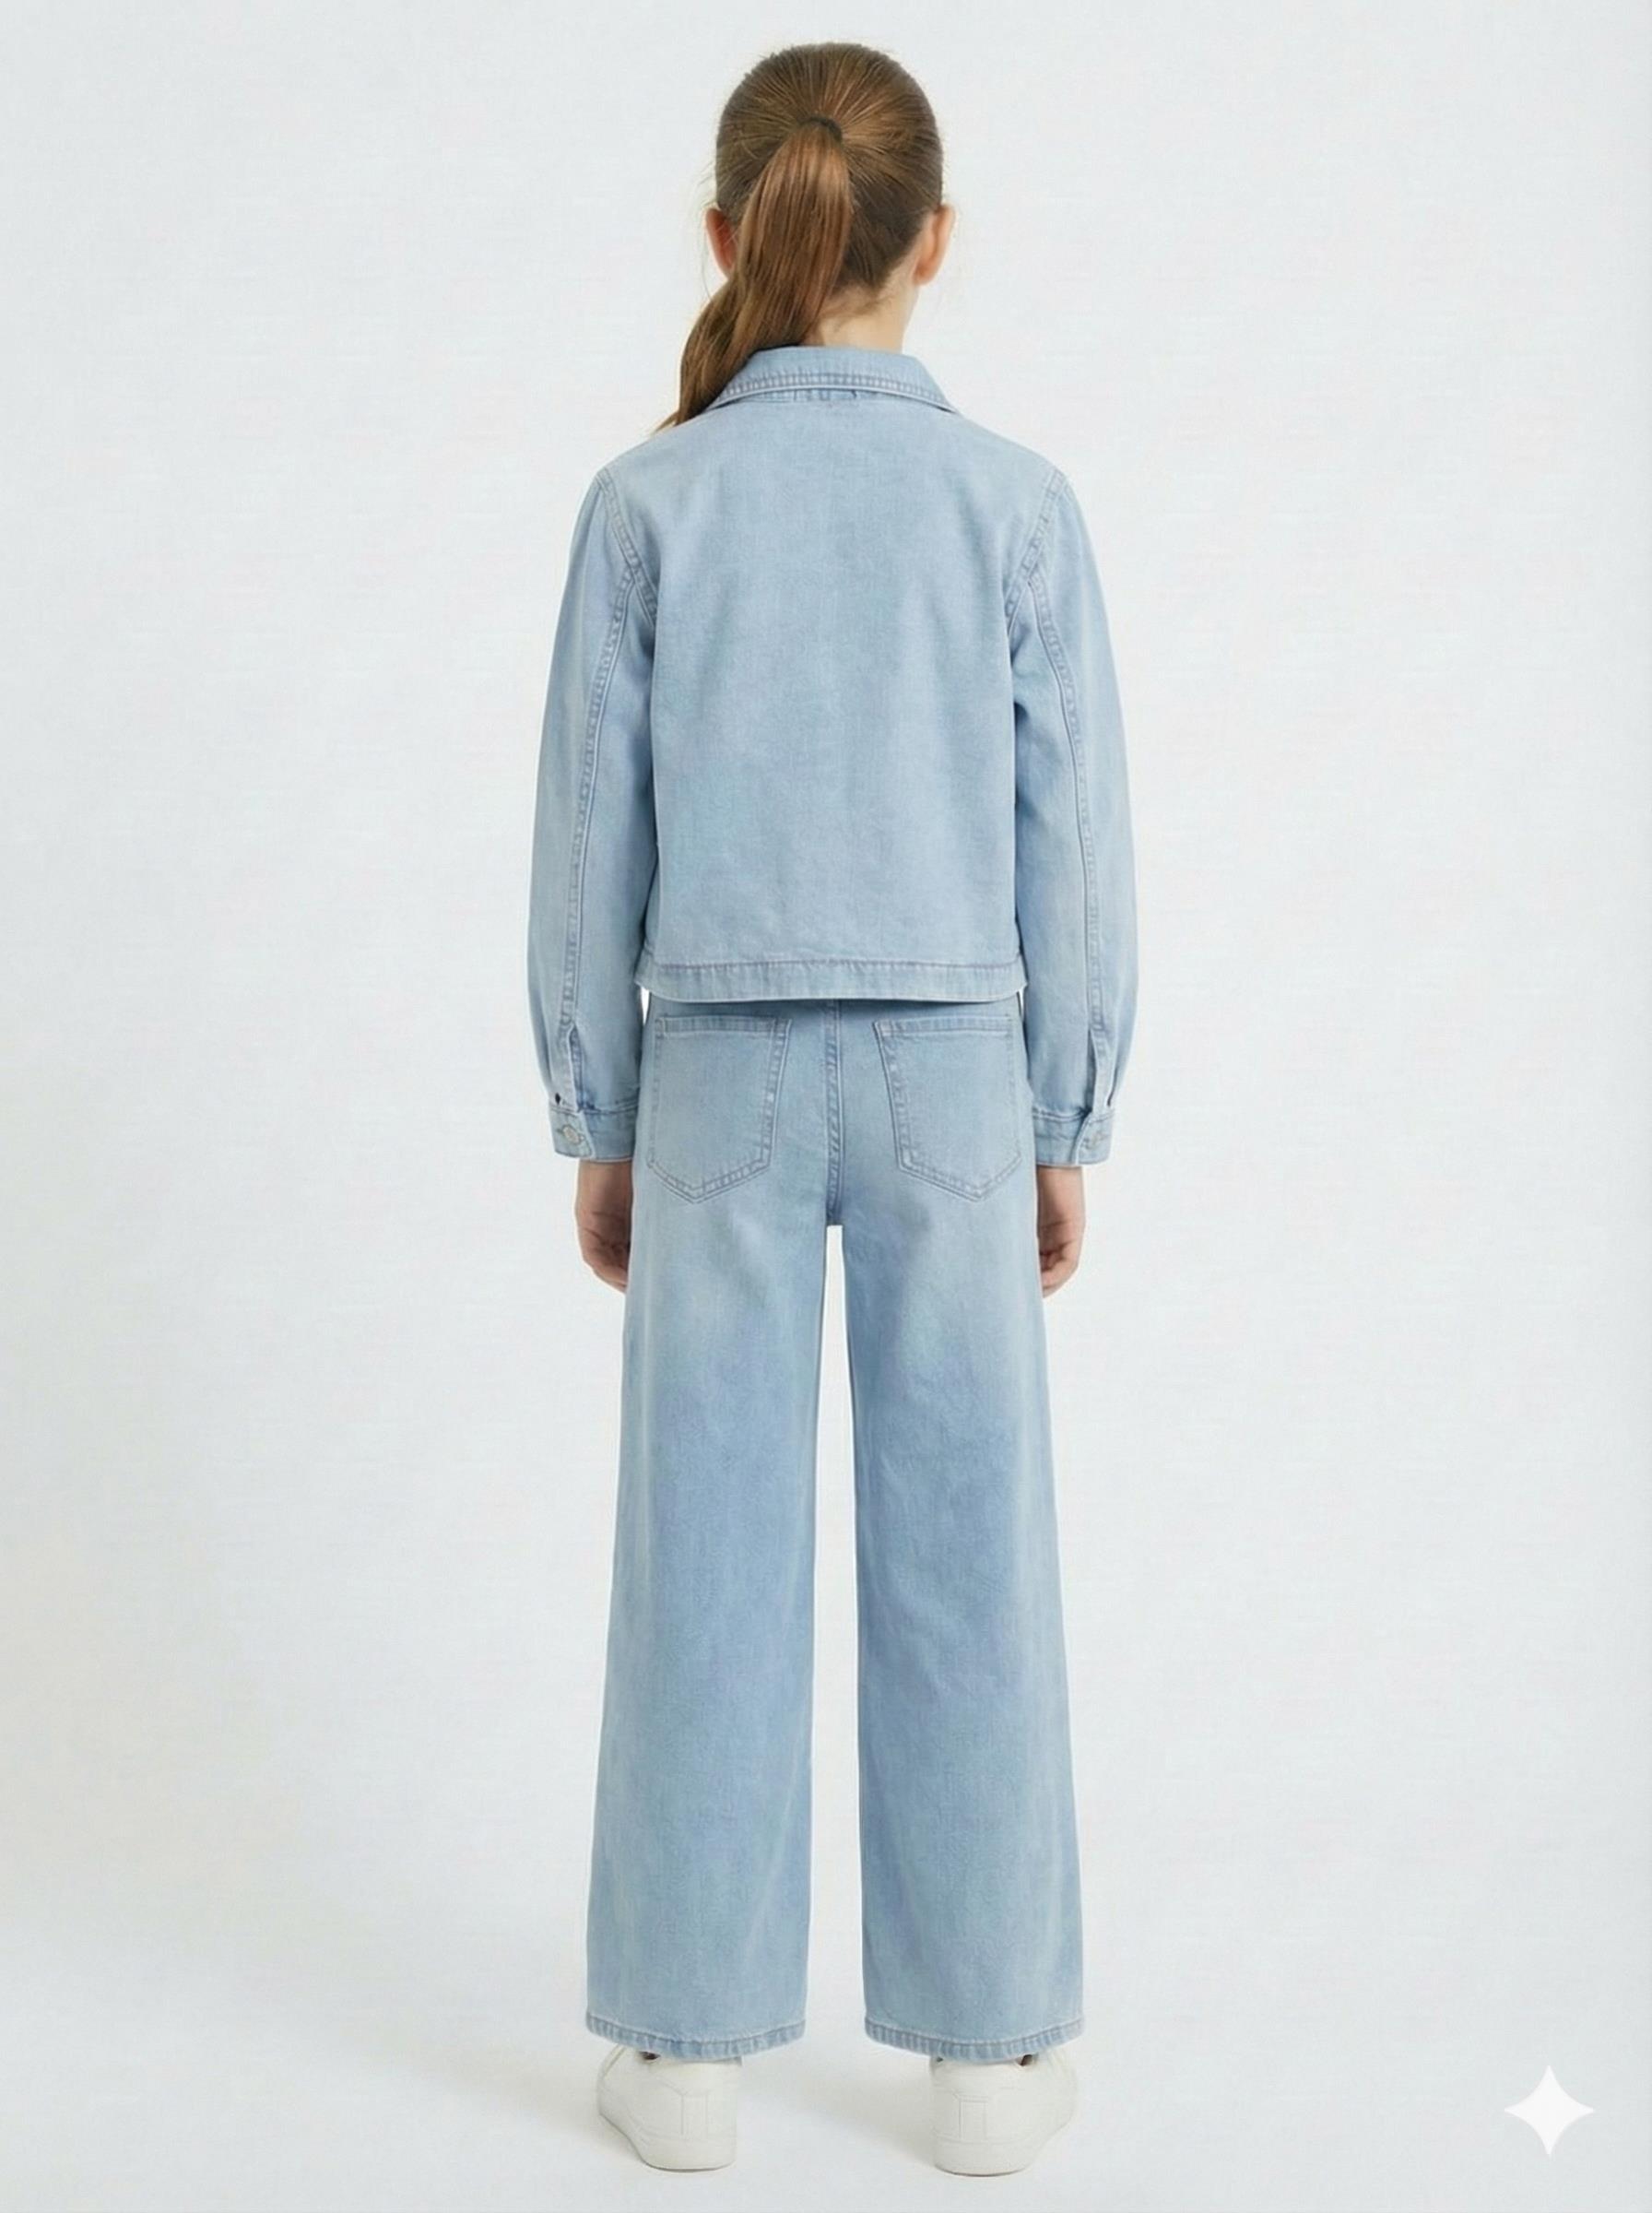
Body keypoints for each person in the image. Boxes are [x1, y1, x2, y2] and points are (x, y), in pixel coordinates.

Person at [527, 39, 1137, 2178]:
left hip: (712, 1073)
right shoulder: (1013, 508)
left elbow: (585, 848)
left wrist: (597, 1113)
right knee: (969, 1550)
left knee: (700, 1548)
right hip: (954, 1070)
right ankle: (987, 2065)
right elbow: (1071, 845)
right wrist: (1062, 1116)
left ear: (725, 236)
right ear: (933, 244)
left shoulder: (647, 504)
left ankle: (683, 2061)